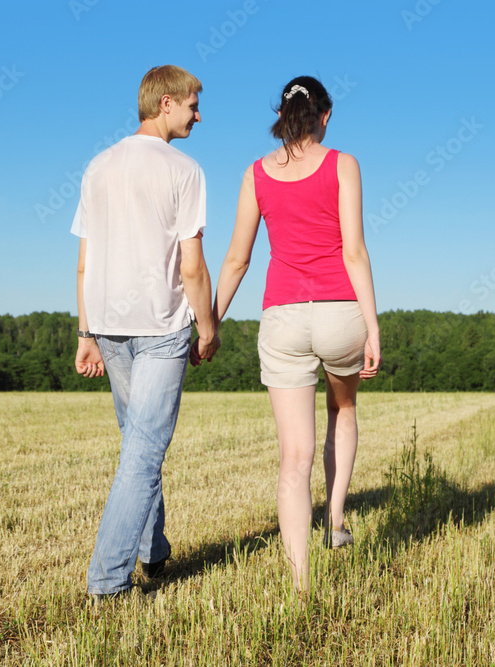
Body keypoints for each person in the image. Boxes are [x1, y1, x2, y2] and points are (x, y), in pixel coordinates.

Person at [212, 75, 381, 591]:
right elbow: (354, 251)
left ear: (281, 118)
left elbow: (238, 259)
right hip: (338, 313)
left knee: (293, 458)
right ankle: (334, 523)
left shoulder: (255, 175)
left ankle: (300, 581)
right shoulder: (343, 165)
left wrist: (210, 322)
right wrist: (372, 327)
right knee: (342, 409)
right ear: (324, 116)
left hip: (283, 317)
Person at [72, 65, 219, 599]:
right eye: (193, 105)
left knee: (139, 444)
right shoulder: (185, 170)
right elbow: (192, 268)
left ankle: (152, 552)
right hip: (160, 327)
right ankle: (107, 583)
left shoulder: (97, 166)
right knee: (143, 452)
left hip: (108, 326)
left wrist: (86, 331)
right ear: (165, 103)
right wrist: (208, 328)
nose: (198, 115)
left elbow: (85, 262)